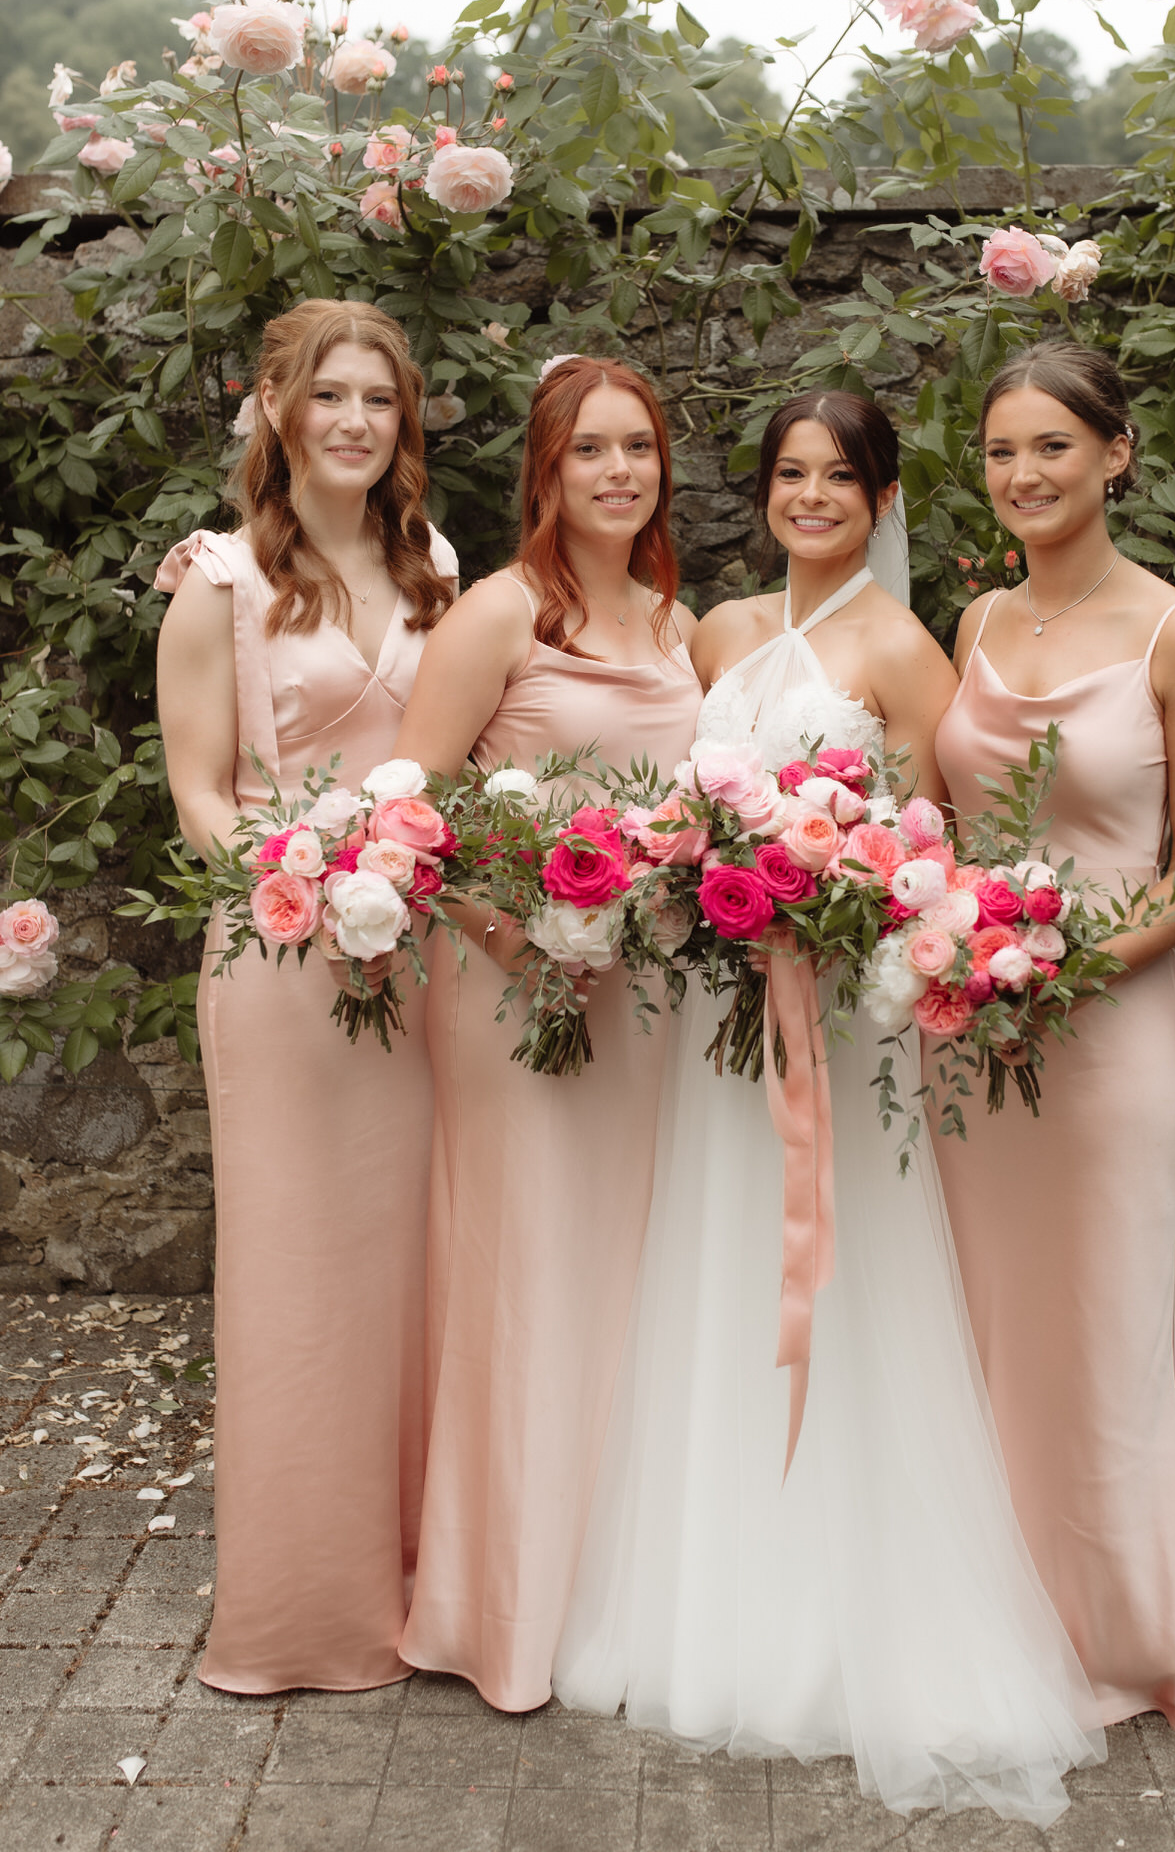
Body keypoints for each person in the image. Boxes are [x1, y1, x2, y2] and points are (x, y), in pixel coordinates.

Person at [553, 390, 1106, 1824]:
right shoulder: (716, 632)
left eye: (837, 479)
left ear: (880, 498)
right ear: (765, 491)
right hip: (715, 1029)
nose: (810, 498)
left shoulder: (904, 651)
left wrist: (850, 906)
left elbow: (949, 853)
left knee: (845, 1299)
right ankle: (714, 1606)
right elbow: (674, 809)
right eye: (789, 476)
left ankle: (845, 1623)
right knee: (717, 1288)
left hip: (841, 1041)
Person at [931, 343, 1175, 1739]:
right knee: (980, 1326)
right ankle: (985, 1627)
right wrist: (953, 941)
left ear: (1115, 453)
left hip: (1109, 1028)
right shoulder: (974, 628)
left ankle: (1127, 1649)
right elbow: (943, 827)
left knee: (1101, 1327)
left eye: (1052, 447)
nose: (1023, 476)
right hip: (965, 1035)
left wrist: (1067, 965)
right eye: (1002, 452)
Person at [155, 298, 459, 1693]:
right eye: (327, 395)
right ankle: (300, 1615)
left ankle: (423, 1587)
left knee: (416, 1274)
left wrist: (399, 881)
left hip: (421, 962)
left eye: (378, 401)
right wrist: (306, 876)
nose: (352, 421)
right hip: (281, 957)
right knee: (296, 1282)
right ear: (274, 408)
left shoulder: (435, 564)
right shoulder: (217, 581)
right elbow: (201, 797)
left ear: (403, 424)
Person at [394, 355, 703, 1712]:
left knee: (635, 1283)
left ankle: (615, 1600)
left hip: (649, 1004)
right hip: (515, 991)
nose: (617, 473)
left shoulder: (681, 624)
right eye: (590, 451)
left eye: (637, 448)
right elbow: (412, 812)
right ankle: (503, 1613)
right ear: (545, 469)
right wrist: (522, 938)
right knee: (528, 1278)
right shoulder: (497, 615)